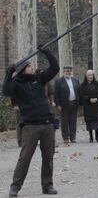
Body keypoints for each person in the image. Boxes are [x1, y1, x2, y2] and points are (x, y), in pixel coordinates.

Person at [2, 47, 59, 197]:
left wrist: (47, 52)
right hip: (30, 126)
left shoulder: (39, 78)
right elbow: (6, 91)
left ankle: (47, 185)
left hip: (47, 124)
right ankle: (15, 186)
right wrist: (8, 73)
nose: (32, 67)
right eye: (29, 66)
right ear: (22, 70)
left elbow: (55, 68)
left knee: (48, 156)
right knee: (25, 157)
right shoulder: (16, 83)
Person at [54, 65, 80, 144]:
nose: (68, 72)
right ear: (63, 72)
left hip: (74, 103)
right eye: (67, 71)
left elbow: (79, 91)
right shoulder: (58, 81)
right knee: (64, 122)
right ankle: (65, 137)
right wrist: (58, 104)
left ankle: (73, 137)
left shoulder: (75, 80)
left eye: (69, 71)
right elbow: (56, 94)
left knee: (73, 121)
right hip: (64, 105)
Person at [80, 70, 98, 143]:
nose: (90, 76)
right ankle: (91, 137)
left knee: (96, 122)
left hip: (96, 106)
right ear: (86, 76)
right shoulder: (83, 85)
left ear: (93, 76)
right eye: (88, 75)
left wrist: (97, 98)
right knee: (89, 122)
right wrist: (89, 99)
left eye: (91, 75)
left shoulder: (97, 84)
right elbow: (82, 95)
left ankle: (97, 136)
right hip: (88, 106)